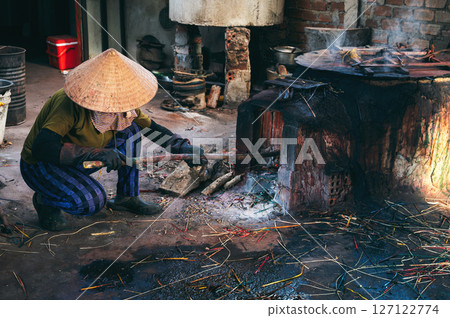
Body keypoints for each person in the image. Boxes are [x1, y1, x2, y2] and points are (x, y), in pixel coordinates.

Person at [20, 48, 205, 231]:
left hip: (79, 159)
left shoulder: (123, 105)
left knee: (131, 129)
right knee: (91, 202)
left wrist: (182, 148)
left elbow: (151, 129)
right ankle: (45, 201)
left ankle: (127, 196)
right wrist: (97, 153)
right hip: (42, 165)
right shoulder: (68, 103)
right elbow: (42, 148)